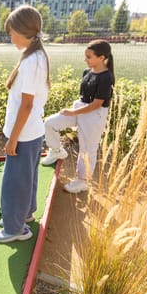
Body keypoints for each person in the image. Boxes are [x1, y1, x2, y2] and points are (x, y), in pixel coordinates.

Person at [0, 5, 50, 243]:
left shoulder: (32, 61)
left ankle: (15, 229)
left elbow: (26, 105)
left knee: (14, 183)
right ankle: (24, 215)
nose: (10, 38)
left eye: (11, 33)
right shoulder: (34, 56)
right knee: (27, 178)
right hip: (31, 132)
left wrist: (13, 138)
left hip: (24, 135)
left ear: (22, 30)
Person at [41, 39, 114, 194]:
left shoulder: (107, 77)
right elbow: (85, 99)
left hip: (95, 115)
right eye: (85, 56)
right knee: (50, 123)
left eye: (89, 57)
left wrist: (73, 113)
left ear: (102, 58)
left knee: (87, 149)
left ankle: (83, 181)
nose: (85, 59)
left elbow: (96, 104)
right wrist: (74, 111)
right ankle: (56, 151)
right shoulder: (87, 72)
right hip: (80, 108)